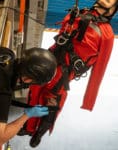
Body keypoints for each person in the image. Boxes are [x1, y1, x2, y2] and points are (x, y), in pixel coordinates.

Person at [17, 0, 118, 147]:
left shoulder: (107, 35)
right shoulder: (78, 13)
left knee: (52, 100)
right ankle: (29, 127)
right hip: (51, 58)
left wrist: (89, 100)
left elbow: (100, 69)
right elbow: (62, 35)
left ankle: (40, 130)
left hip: (65, 71)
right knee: (34, 90)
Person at [0, 47, 57, 148]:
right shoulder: (3, 91)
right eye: (33, 83)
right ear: (27, 79)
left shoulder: (6, 53)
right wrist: (27, 115)